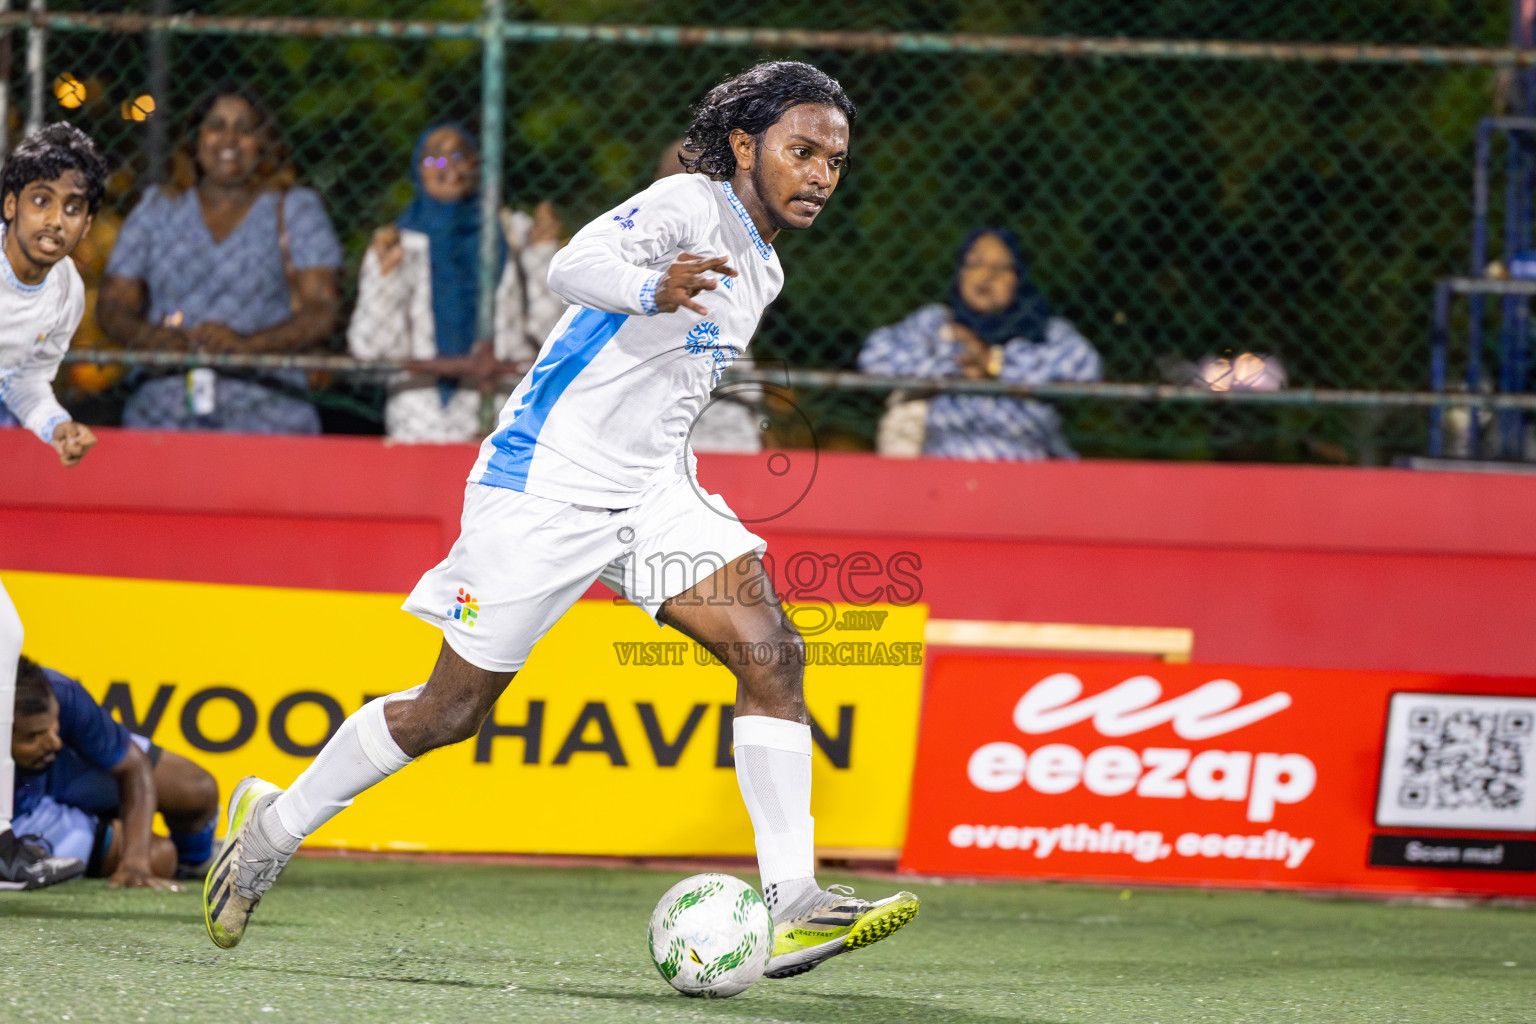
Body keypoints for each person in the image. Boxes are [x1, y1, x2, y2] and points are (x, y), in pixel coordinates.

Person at [205, 60, 919, 979]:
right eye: (803, 149)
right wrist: (653, 284)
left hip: (652, 490)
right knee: (449, 711)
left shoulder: (764, 267)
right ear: (746, 146)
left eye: (834, 159)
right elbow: (569, 264)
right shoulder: (686, 205)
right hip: (542, 485)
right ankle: (271, 829)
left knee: (773, 653)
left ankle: (793, 902)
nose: (821, 172)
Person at [97, 84, 342, 434]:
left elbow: (323, 309)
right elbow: (113, 303)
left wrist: (246, 347)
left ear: (263, 142)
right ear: (195, 140)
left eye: (244, 128)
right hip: (163, 417)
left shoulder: (296, 209)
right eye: (216, 126)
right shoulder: (156, 208)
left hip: (268, 415)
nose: (229, 139)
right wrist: (155, 339)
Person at [0, 122, 106, 890]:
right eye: (40, 201)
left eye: (72, 207)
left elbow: (23, 380)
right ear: (9, 205)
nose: (54, 221)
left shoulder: (64, 289)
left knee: (4, 631)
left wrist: (54, 426)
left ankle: (2, 837)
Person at [347, 123, 564, 443]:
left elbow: (549, 332)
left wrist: (542, 253)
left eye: (461, 155)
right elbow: (372, 348)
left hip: (503, 407)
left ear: (478, 165)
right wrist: (386, 280)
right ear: (418, 171)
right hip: (420, 415)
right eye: (435, 159)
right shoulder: (397, 243)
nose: (449, 165)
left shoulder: (515, 233)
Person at [859, 227, 1102, 459]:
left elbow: (1086, 367)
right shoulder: (936, 323)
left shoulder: (1045, 332)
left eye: (1001, 267)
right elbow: (875, 356)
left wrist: (993, 363)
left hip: (1026, 470)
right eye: (975, 264)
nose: (987, 275)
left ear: (1019, 278)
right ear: (960, 273)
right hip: (938, 474)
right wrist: (955, 365)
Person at [10, 657, 220, 887]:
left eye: (53, 725)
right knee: (160, 856)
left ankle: (193, 866)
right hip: (17, 816)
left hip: (60, 771)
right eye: (32, 736)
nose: (54, 742)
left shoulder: (57, 690)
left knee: (195, 788)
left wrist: (134, 864)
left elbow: (133, 766)